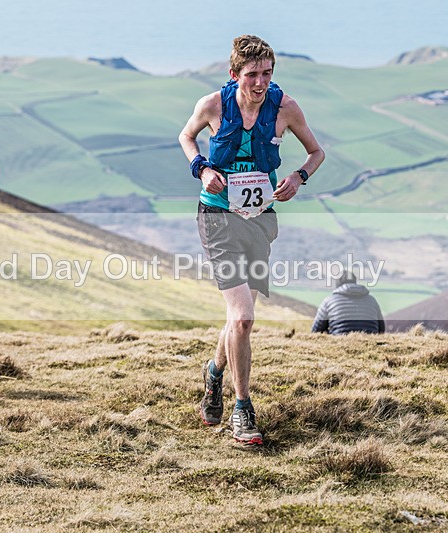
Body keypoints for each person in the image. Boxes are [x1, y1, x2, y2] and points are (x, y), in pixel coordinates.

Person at [179, 35, 325, 445]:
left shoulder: (286, 108)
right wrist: (201, 168)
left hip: (260, 219)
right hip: (217, 217)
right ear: (234, 74)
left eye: (267, 74)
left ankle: (214, 372)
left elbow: (316, 152)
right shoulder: (213, 105)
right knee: (243, 318)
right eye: (252, 75)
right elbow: (186, 136)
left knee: (236, 320)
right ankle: (242, 411)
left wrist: (299, 176)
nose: (260, 83)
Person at [312, 270, 385, 335]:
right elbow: (381, 329)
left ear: (337, 284)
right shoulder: (372, 300)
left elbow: (316, 330)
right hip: (370, 342)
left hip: (339, 342)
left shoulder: (328, 301)